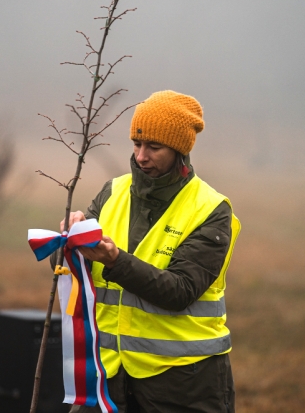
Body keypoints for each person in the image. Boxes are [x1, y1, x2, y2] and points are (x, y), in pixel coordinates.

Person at [62, 90, 241, 413]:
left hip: (184, 382)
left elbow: (180, 291)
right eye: (136, 144)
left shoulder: (211, 209)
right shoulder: (113, 192)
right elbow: (66, 271)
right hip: (108, 375)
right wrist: (67, 241)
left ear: (179, 150)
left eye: (153, 147)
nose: (141, 157)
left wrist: (115, 261)